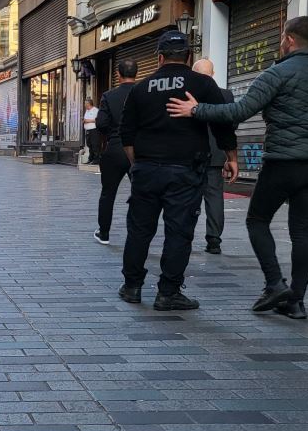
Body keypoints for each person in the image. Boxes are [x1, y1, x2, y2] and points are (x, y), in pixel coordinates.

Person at [168, 16, 308, 320]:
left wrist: (196, 109)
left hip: (283, 161)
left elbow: (239, 111)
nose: (281, 42)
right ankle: (296, 300)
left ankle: (274, 284)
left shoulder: (277, 74)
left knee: (257, 220)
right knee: (302, 231)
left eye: (283, 37)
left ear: (291, 39)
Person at [118, 30, 238, 311]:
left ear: (159, 57)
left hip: (147, 169)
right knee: (179, 232)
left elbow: (127, 134)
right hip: (185, 170)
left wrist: (137, 165)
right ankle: (168, 292)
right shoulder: (203, 84)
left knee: (139, 230)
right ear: (188, 56)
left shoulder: (141, 87)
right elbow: (223, 124)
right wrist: (231, 156)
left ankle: (132, 286)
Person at [191, 59, 235, 255]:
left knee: (187, 197)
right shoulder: (225, 95)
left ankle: (184, 235)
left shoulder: (186, 94)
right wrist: (229, 154)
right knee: (215, 197)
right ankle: (214, 240)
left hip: (190, 154)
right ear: (213, 73)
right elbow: (231, 125)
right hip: (216, 154)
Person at [93, 60, 139, 245]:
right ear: (136, 73)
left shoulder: (109, 96)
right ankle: (136, 233)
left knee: (108, 192)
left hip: (116, 148)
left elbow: (101, 123)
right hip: (139, 150)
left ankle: (104, 232)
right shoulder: (143, 92)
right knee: (140, 193)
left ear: (118, 75)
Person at [83, 99, 100, 164]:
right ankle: (90, 159)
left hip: (94, 130)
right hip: (87, 130)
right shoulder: (87, 111)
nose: (84, 105)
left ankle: (96, 159)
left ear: (89, 104)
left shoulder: (96, 110)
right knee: (89, 145)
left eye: (85, 103)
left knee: (94, 145)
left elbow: (97, 120)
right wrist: (84, 121)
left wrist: (87, 121)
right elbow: (86, 119)